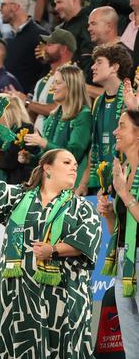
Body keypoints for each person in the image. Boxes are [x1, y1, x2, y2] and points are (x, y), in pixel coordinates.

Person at [0, 136, 101, 357]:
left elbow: (89, 239)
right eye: (67, 162)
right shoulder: (19, 198)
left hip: (62, 297)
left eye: (76, 165)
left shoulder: (80, 206)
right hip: (16, 297)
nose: (74, 168)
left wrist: (54, 250)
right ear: (47, 168)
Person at [97, 110, 139, 358]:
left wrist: (124, 194)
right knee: (131, 343)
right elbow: (118, 232)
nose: (115, 132)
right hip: (124, 260)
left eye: (121, 126)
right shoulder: (124, 170)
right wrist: (109, 213)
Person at [22, 65, 92, 186]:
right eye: (53, 83)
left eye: (57, 83)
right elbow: (49, 155)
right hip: (52, 182)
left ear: (71, 86)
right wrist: (31, 158)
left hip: (71, 185)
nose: (52, 87)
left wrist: (44, 142)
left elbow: (73, 154)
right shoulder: (53, 115)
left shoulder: (83, 115)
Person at [78, 44, 133, 196]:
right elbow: (94, 144)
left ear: (114, 67)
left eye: (99, 62)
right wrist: (84, 183)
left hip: (126, 182)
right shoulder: (98, 102)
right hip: (101, 183)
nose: (93, 67)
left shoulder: (132, 100)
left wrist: (119, 179)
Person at [1, 0, 49, 94]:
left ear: (14, 7)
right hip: (7, 99)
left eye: (3, 5)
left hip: (26, 103)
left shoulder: (40, 36)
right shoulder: (7, 37)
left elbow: (46, 70)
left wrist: (31, 96)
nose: (0, 9)